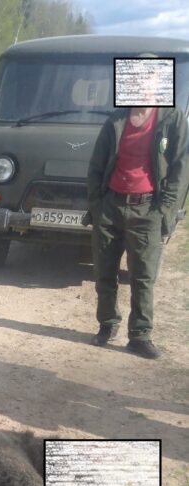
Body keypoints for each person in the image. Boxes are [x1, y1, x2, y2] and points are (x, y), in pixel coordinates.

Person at [86, 62, 188, 359]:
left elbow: (182, 168)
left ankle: (140, 335)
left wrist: (166, 209)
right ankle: (107, 324)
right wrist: (96, 203)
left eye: (149, 81)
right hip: (110, 206)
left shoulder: (172, 119)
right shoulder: (116, 120)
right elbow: (95, 165)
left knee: (143, 276)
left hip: (148, 209)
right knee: (104, 271)